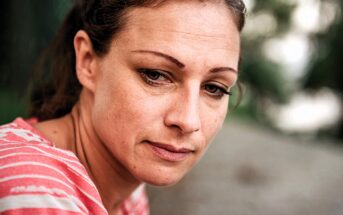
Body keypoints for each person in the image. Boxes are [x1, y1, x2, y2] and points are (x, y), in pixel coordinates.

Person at [0, 0, 246, 214]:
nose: (189, 121)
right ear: (88, 62)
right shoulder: (35, 190)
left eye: (214, 88)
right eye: (156, 74)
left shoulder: (129, 188)